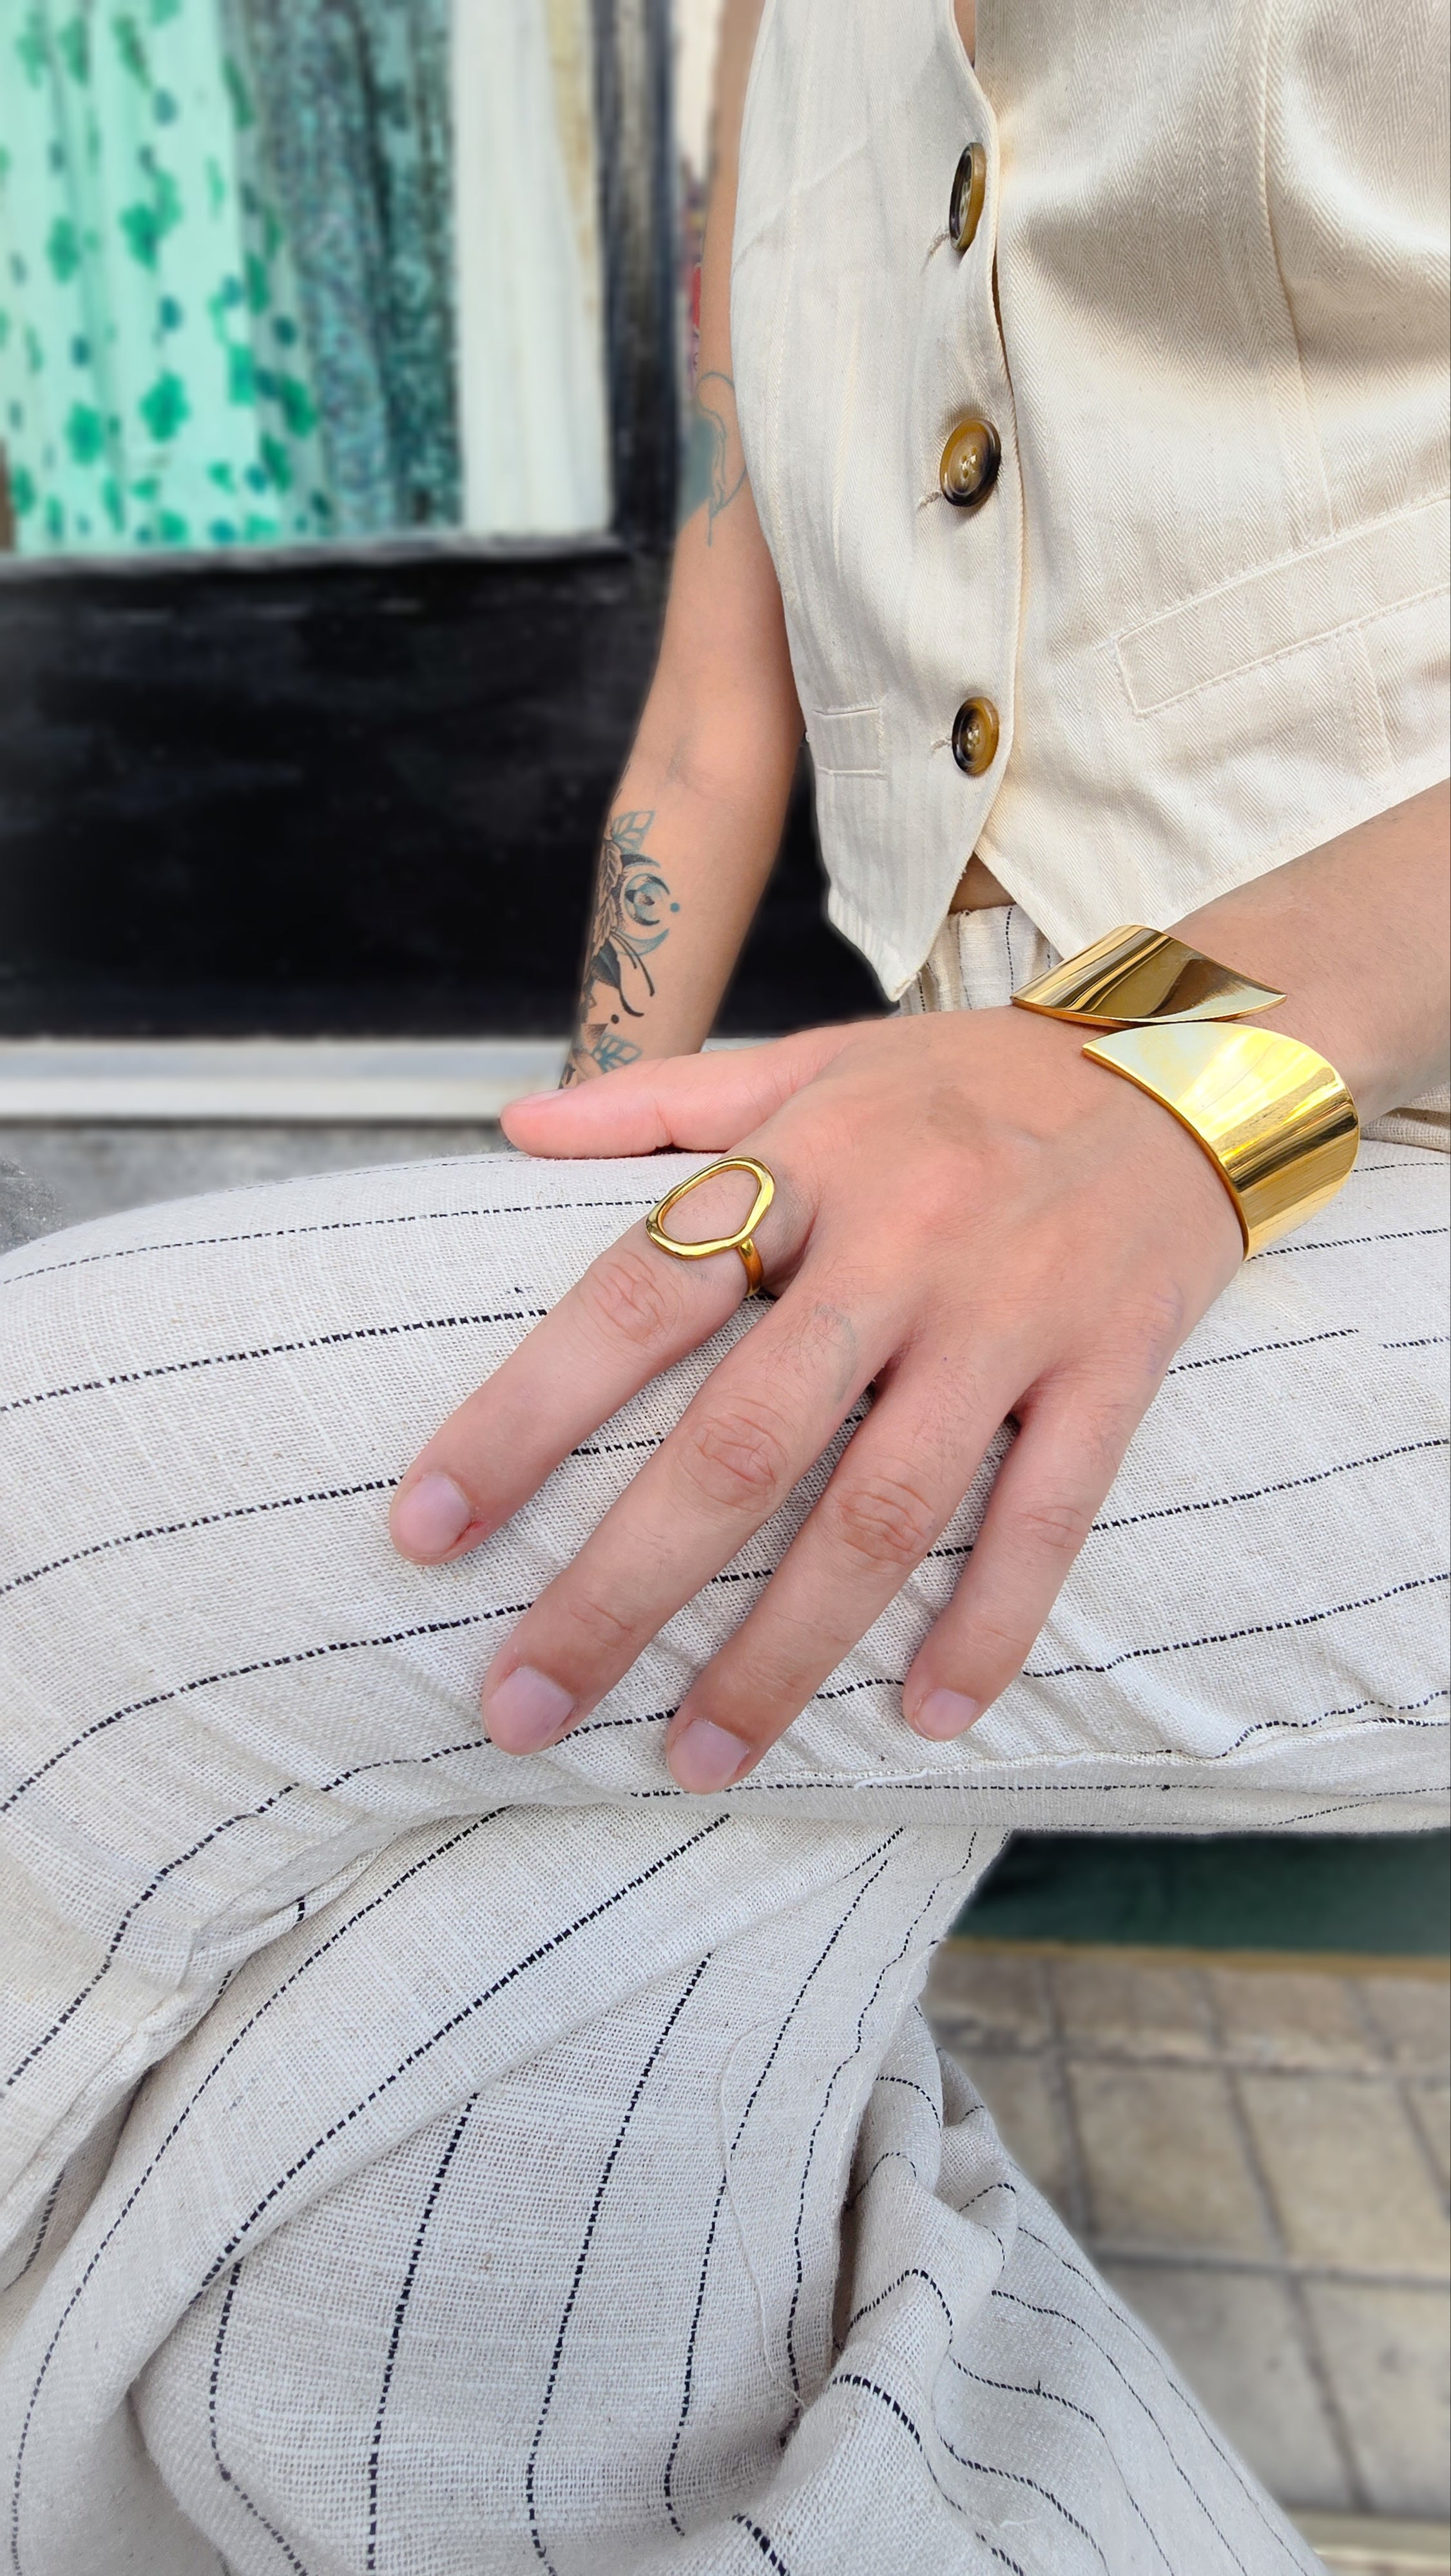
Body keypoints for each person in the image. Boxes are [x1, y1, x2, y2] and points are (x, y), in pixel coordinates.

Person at [1, 1, 1446, 2567]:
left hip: (1289, 1145)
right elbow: (705, 726)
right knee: (428, 2280)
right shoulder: (776, 47)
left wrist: (1183, 1063)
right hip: (997, 1213)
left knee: (57, 1491)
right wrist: (569, 1205)